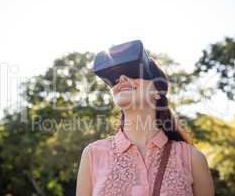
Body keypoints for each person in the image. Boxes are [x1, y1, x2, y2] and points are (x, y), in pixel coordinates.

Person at [76, 58, 214, 196]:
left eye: (134, 71)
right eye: (115, 78)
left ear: (158, 91)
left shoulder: (193, 159)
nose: (122, 78)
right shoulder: (92, 155)